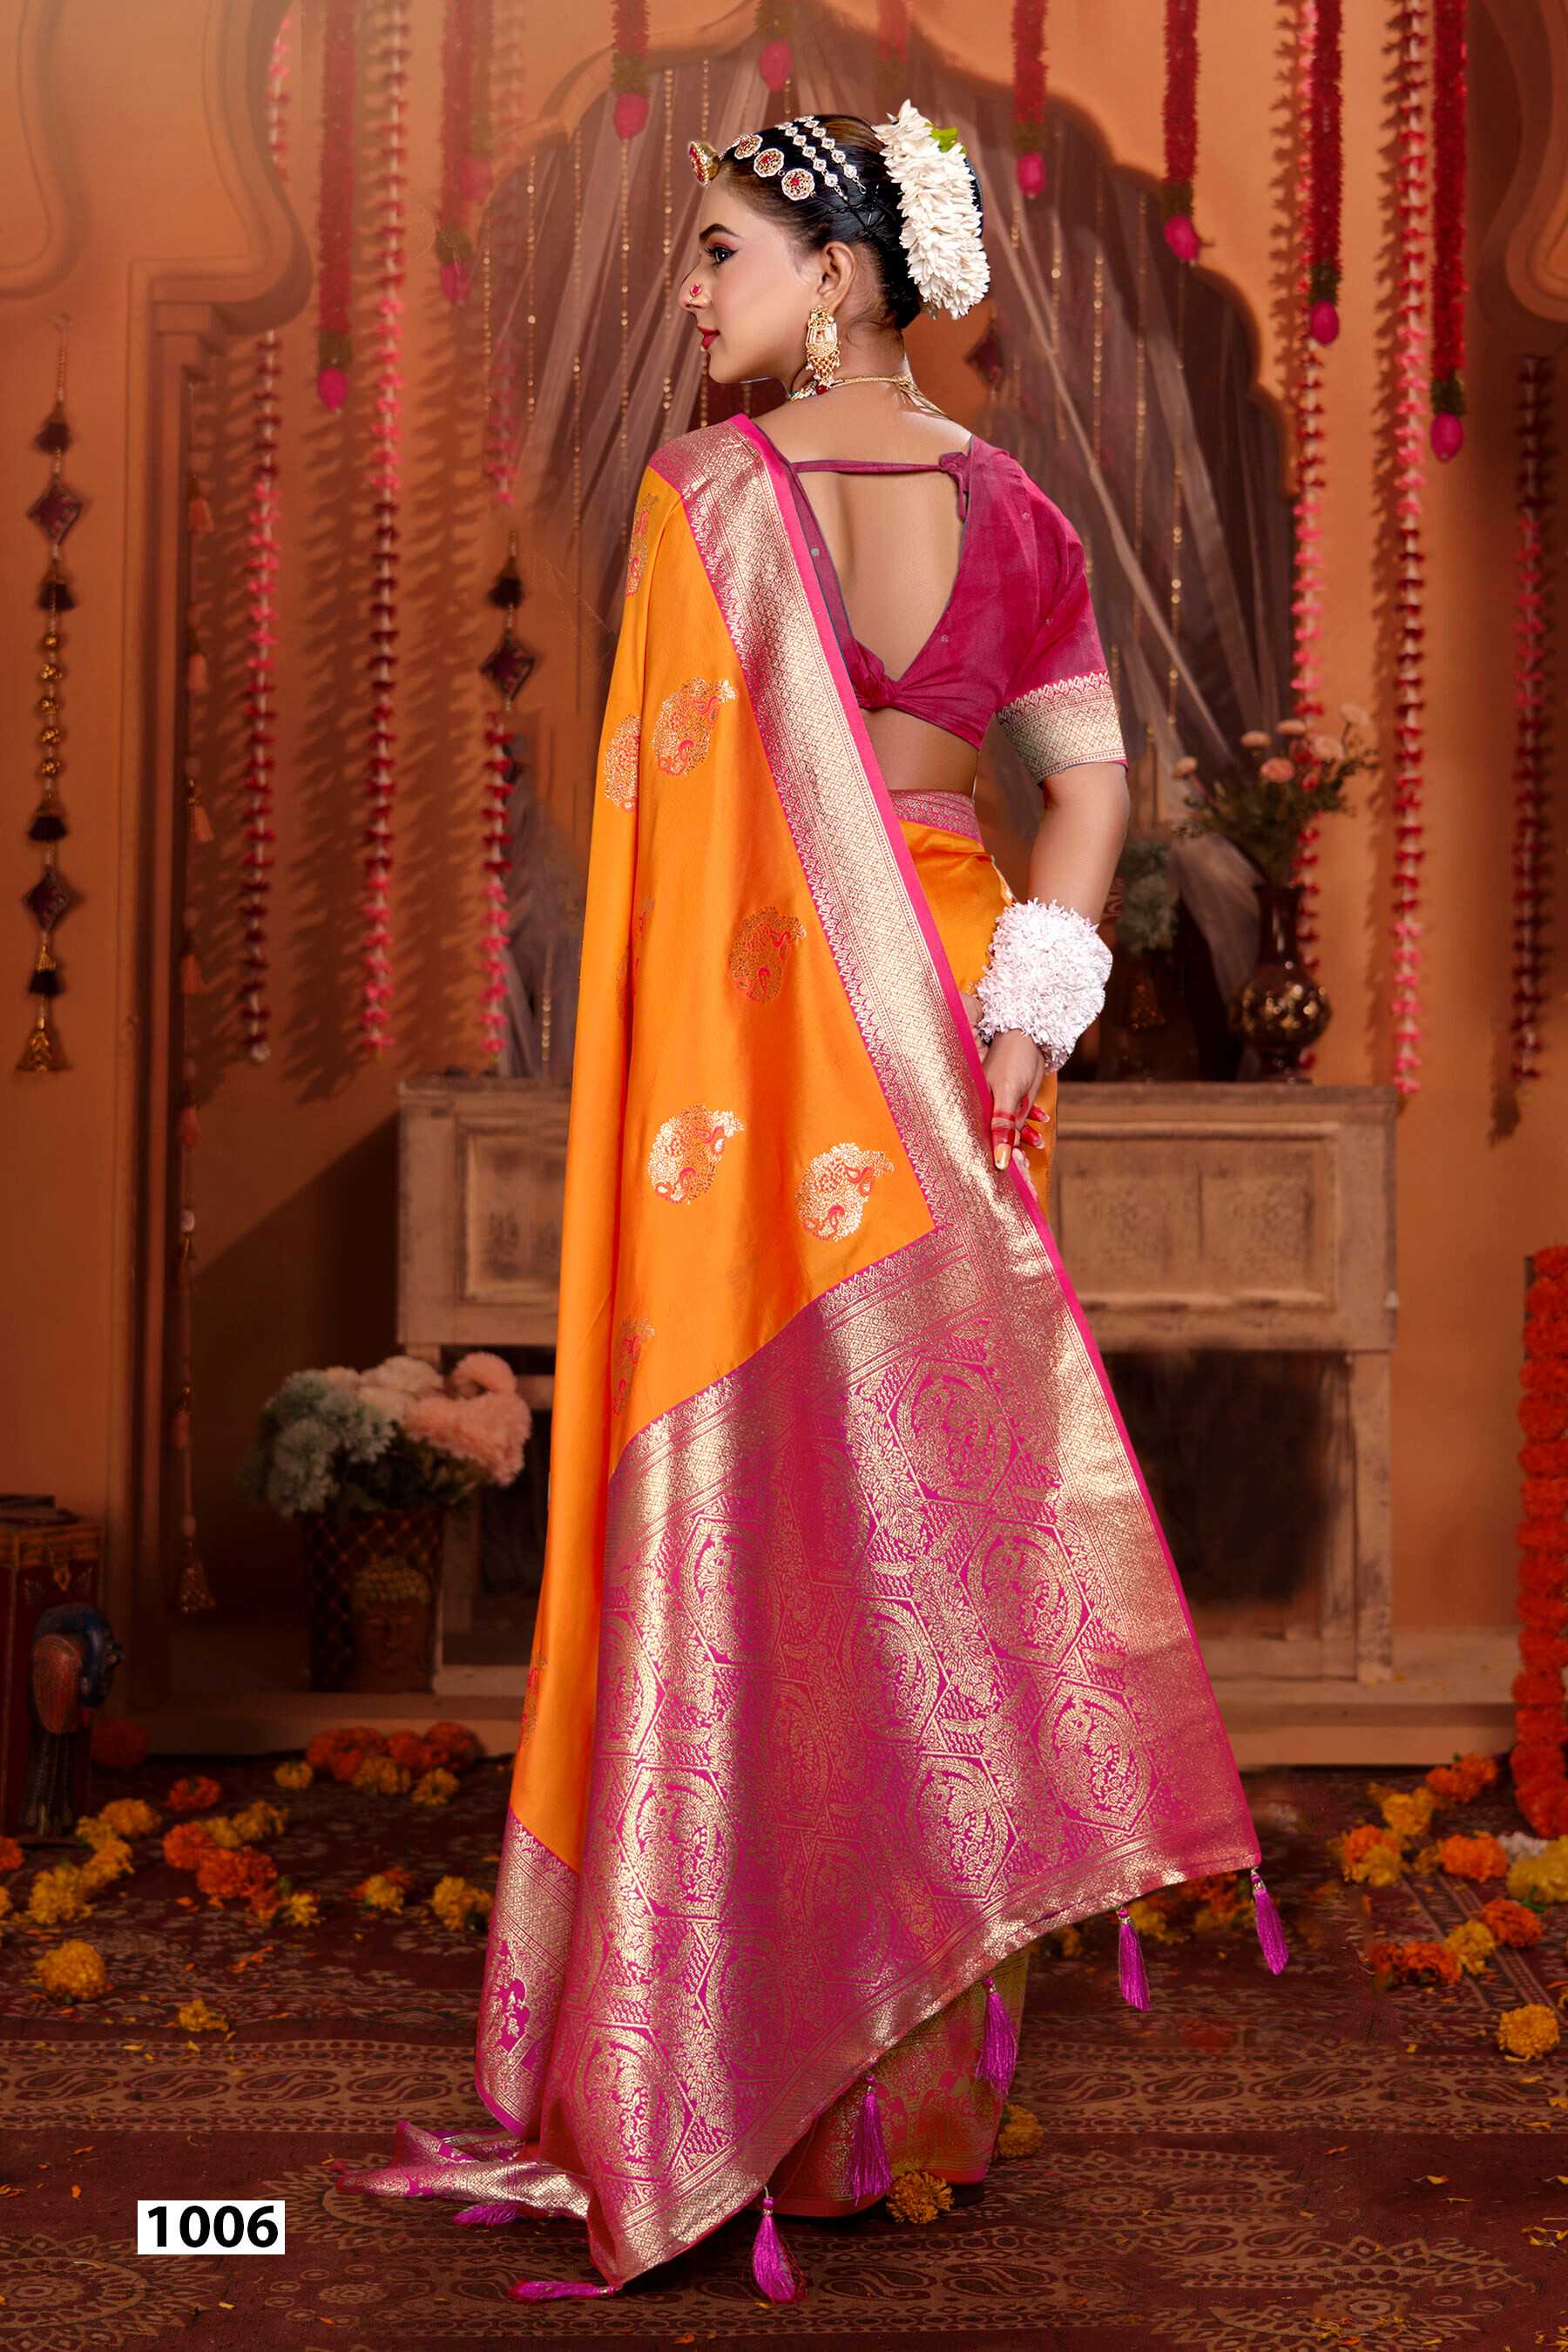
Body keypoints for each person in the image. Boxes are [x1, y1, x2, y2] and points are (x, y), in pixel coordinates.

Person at [336, 100, 1286, 2305]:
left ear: (838, 270)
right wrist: (1031, 1019)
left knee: (759, 1521)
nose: (689, 293)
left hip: (773, 1069)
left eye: (719, 251)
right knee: (923, 1548)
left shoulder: (708, 501)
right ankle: (900, 2117)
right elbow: (1092, 784)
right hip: (957, 1026)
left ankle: (705, 2069)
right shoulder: (1019, 506)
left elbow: (690, 857)